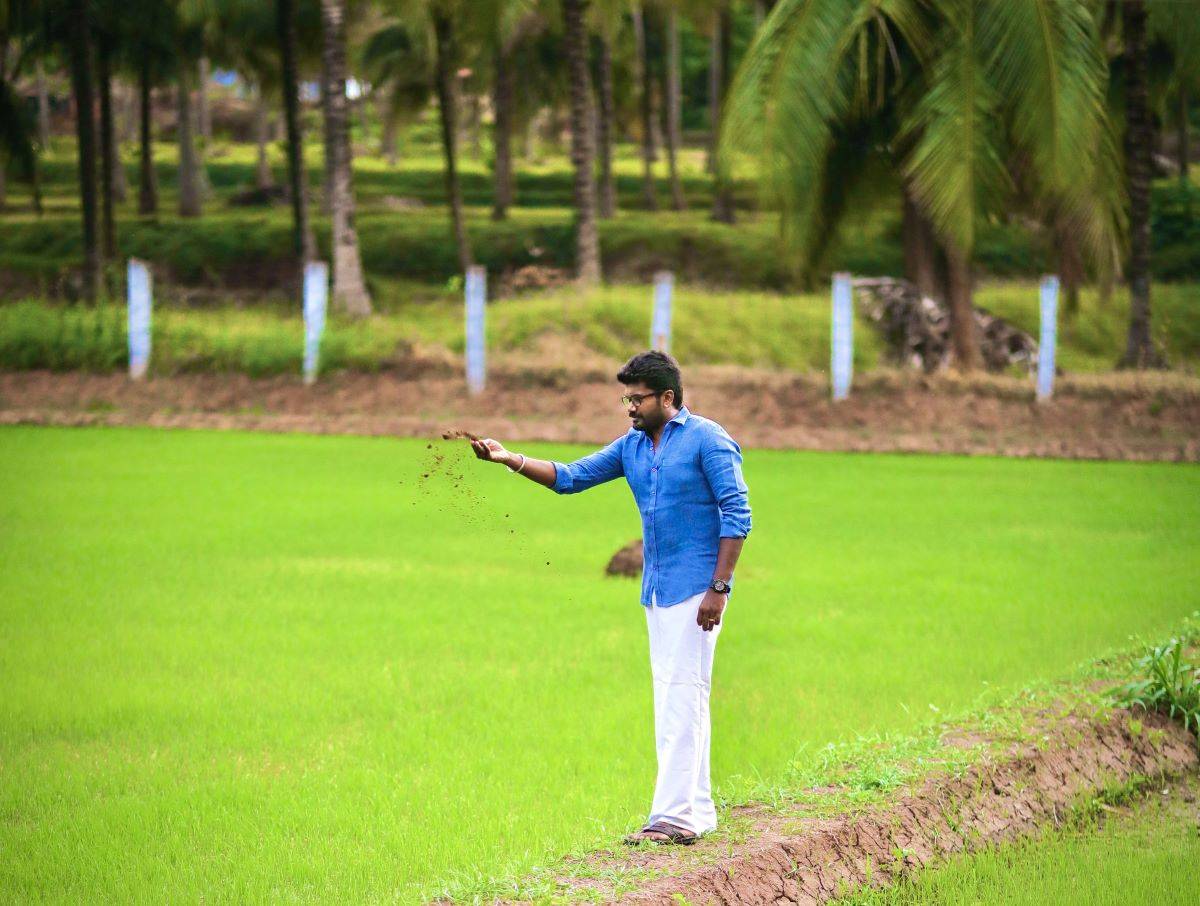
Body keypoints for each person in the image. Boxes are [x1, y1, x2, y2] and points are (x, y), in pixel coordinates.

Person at [467, 350, 752, 846]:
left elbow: (737, 514)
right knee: (674, 696)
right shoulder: (633, 447)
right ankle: (697, 809)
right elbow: (571, 477)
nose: (629, 407)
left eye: (637, 398)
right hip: (657, 589)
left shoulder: (708, 439)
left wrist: (719, 588)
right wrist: (509, 459)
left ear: (668, 397)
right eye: (626, 398)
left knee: (682, 697)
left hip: (697, 589)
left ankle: (674, 817)